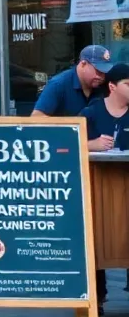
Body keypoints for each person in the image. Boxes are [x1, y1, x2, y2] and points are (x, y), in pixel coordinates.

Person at [81, 62, 129, 308]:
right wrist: (92, 145)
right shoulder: (90, 113)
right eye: (128, 84)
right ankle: (97, 296)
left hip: (126, 186)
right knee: (96, 238)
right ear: (112, 86)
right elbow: (65, 143)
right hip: (97, 188)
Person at [34, 44, 113, 116]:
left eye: (104, 72)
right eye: (98, 71)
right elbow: (37, 119)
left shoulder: (106, 85)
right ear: (83, 64)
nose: (101, 77)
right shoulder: (58, 85)